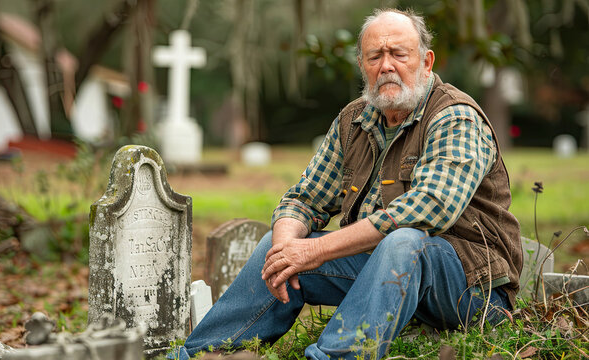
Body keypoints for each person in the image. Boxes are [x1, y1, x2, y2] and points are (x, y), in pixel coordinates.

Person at [172, 8, 522, 360]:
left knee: (405, 240)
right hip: (384, 280)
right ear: (362, 64)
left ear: (426, 61)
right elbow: (303, 199)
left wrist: (312, 252)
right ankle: (203, 353)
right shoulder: (354, 120)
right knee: (275, 245)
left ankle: (336, 357)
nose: (386, 66)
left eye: (399, 54)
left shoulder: (454, 116)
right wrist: (285, 252)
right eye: (375, 56)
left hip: (474, 292)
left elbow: (429, 208)